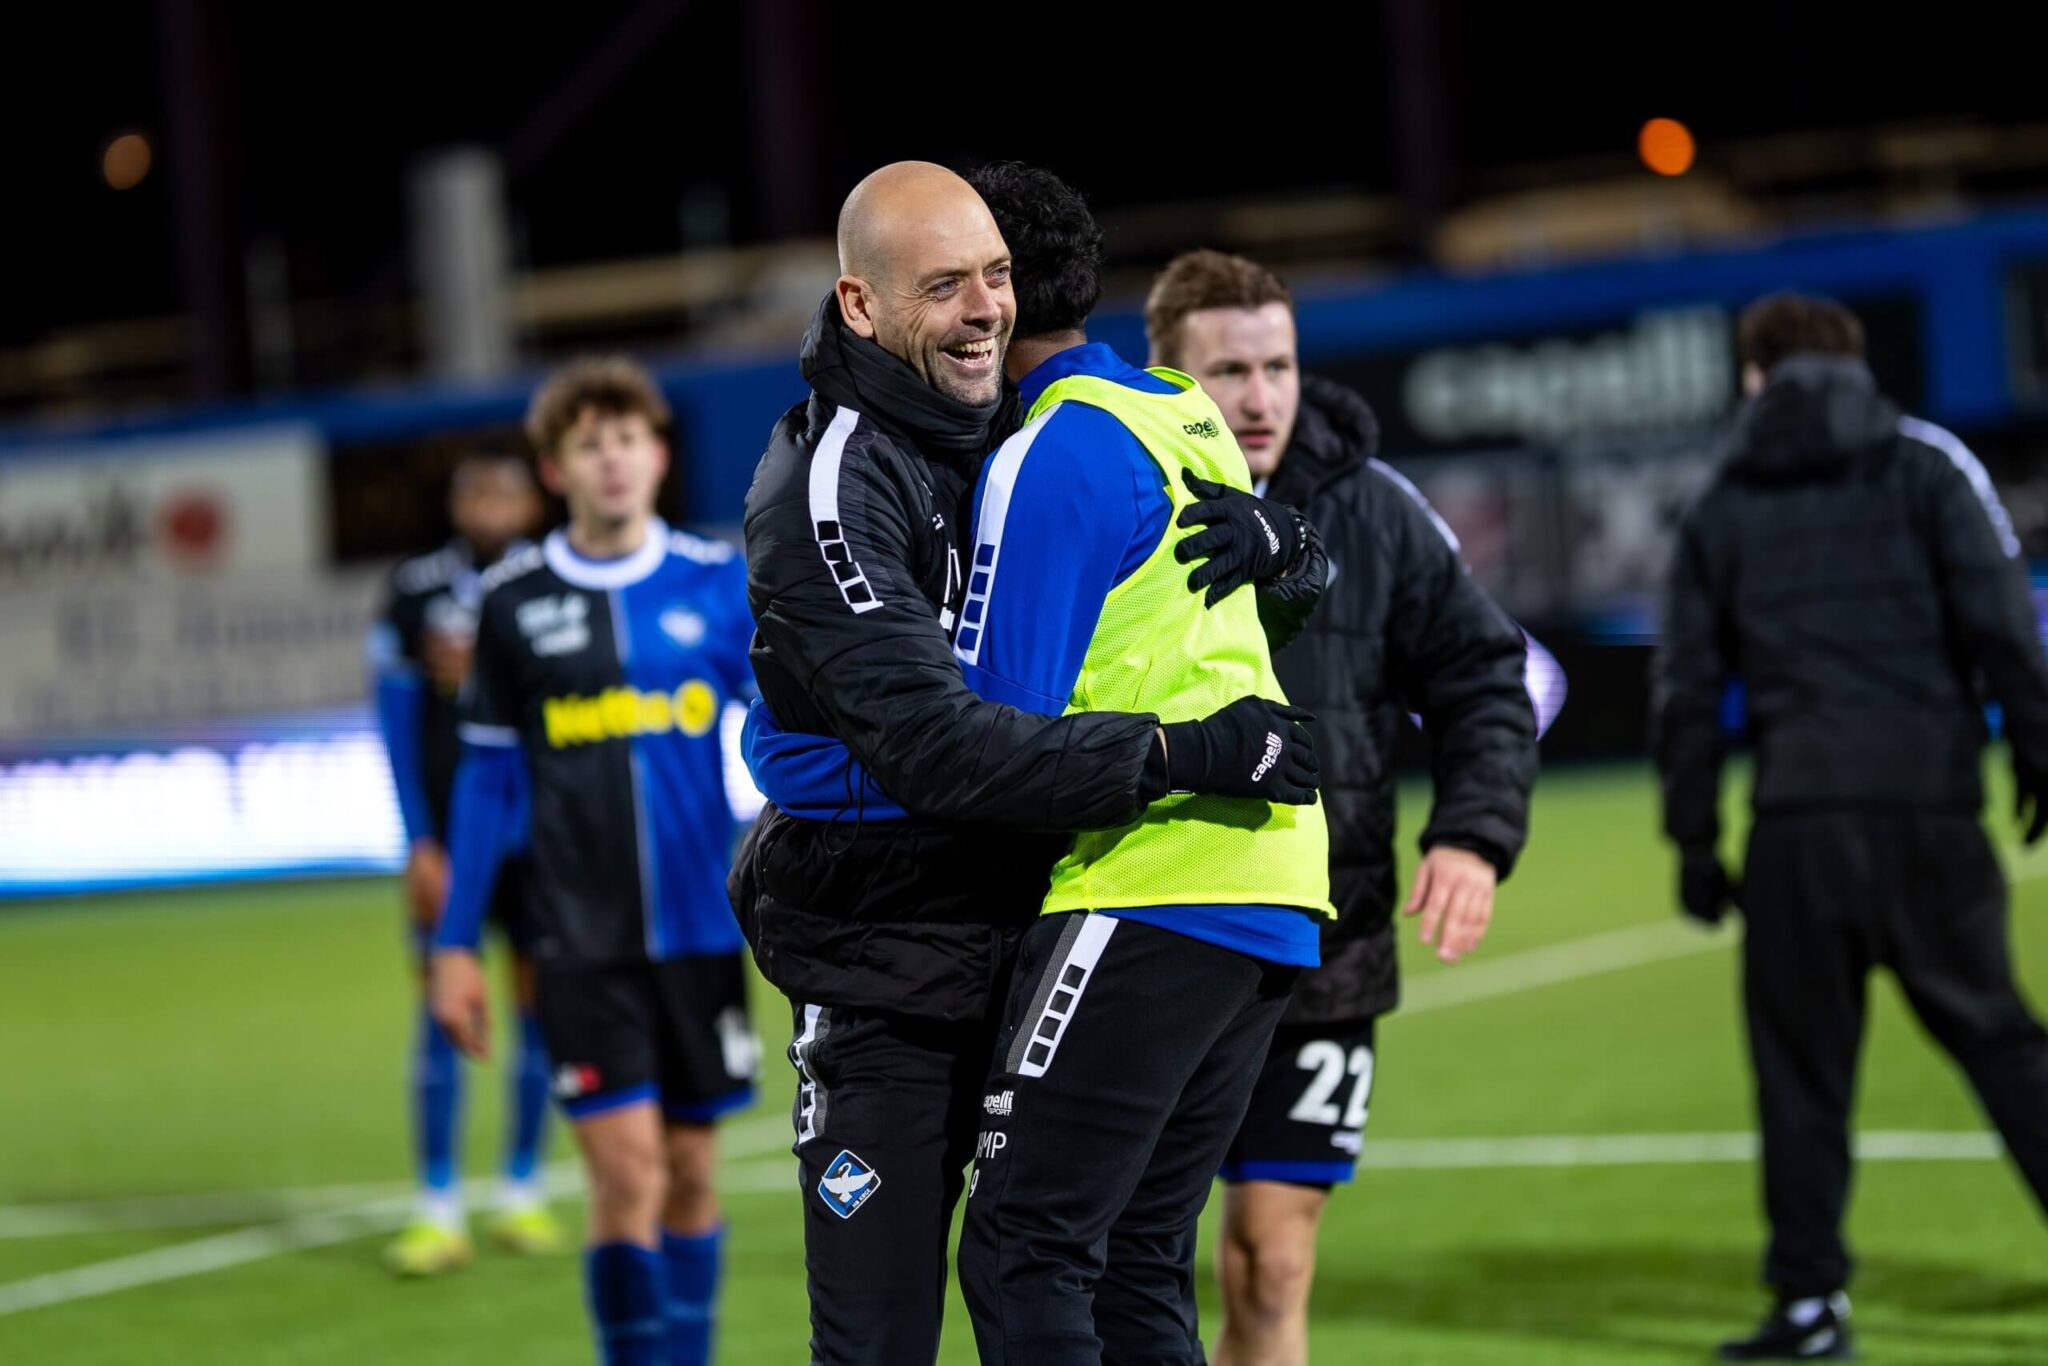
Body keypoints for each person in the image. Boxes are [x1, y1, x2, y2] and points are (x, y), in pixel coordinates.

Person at [735, 160, 1323, 1366]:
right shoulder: (828, 481)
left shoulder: (1025, 427)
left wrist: (1291, 552)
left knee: (1116, 1271)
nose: (983, 310)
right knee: (883, 1340)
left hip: (1039, 923)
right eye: (943, 285)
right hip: (887, 965)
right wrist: (1181, 752)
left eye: (995, 276)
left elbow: (1158, 603)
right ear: (859, 305)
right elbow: (936, 746)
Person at [952, 162, 1333, 1366]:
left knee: (1021, 1246)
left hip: (1149, 878)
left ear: (990, 295)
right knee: (1131, 1258)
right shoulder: (1174, 404)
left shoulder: (1051, 449)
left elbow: (991, 729)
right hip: (1265, 877)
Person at [1143, 248, 1541, 1365]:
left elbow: (1483, 676)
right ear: (1167, 377)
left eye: (1277, 366)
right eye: (1228, 371)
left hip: (1327, 941)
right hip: (1151, 933)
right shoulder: (1113, 498)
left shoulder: (1375, 509)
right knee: (1131, 1260)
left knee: (1271, 1261)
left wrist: (1473, 834)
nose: (1260, 396)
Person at [1654, 293, 2048, 1361]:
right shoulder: (1927, 462)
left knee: (1801, 1074)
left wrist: (1694, 838)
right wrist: (2035, 750)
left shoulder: (1724, 493)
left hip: (1797, 826)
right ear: (1852, 362)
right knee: (2002, 1041)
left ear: (1754, 374)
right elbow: (2002, 621)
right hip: (1928, 812)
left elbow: (1687, 687)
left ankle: (1808, 1304)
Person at [431, 358, 758, 1366]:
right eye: (588, 445)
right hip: (577, 942)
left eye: (627, 439)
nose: (611, 460)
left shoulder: (717, 582)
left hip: (703, 933)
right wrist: (453, 945)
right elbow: (486, 782)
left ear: (657, 456)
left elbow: (780, 735)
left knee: (691, 1174)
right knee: (626, 1176)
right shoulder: (513, 601)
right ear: (554, 470)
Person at [367, 447, 558, 1275]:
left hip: (541, 841)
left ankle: (522, 1190)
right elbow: (395, 719)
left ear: (531, 504)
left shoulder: (559, 582)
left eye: (503, 493)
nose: (489, 507)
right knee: (440, 1014)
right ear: (455, 505)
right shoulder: (415, 592)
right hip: (451, 842)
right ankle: (437, 1205)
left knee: (540, 1013)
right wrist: (418, 838)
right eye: (475, 493)